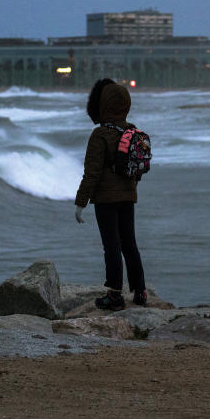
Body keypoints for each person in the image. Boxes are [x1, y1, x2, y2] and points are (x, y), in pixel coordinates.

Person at [74, 78, 147, 311]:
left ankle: (115, 295)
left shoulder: (100, 135)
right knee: (130, 244)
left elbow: (91, 172)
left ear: (103, 105)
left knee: (112, 246)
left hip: (105, 199)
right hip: (128, 196)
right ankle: (140, 291)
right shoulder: (132, 130)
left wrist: (80, 202)